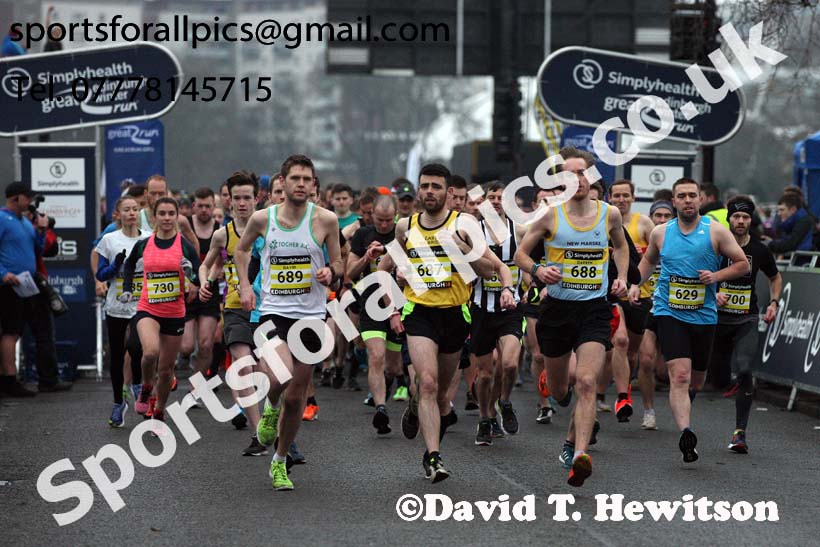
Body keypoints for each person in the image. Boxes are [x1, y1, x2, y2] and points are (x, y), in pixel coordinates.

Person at [378, 163, 513, 483]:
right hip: (419, 313)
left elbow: (489, 269)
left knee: (438, 395)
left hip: (454, 314)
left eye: (436, 187)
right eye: (424, 186)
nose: (428, 192)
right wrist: (393, 309)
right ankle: (434, 457)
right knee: (427, 381)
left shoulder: (463, 224)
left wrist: (461, 248)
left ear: (447, 192)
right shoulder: (405, 227)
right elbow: (383, 270)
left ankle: (415, 408)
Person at [514, 147, 629, 487]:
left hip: (593, 308)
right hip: (557, 310)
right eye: (569, 175)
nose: (576, 180)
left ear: (591, 178)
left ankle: (578, 453)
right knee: (563, 390)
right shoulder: (550, 216)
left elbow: (621, 246)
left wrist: (620, 276)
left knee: (589, 383)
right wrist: (538, 270)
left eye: (582, 174)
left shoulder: (609, 215)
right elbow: (521, 254)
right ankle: (553, 386)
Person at [235, 154, 342, 491]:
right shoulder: (263, 219)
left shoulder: (326, 220)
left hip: (310, 316)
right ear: (281, 183)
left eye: (306, 179)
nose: (300, 184)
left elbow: (338, 260)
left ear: (313, 185)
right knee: (278, 372)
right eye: (294, 178)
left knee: (296, 398)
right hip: (273, 312)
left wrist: (331, 272)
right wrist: (242, 285)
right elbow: (241, 251)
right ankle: (268, 408)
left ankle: (279, 460)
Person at [630, 178, 749, 464]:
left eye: (692, 196)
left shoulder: (716, 231)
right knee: (679, 376)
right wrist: (635, 283)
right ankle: (686, 432)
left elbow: (743, 263)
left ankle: (685, 408)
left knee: (696, 380)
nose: (687, 200)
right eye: (681, 196)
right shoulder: (661, 233)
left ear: (700, 200)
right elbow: (647, 263)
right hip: (670, 312)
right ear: (674, 201)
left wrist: (716, 277)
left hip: (704, 316)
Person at [198, 171, 267, 456]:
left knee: (268, 375)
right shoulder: (221, 234)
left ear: (256, 199)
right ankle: (258, 433)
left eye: (246, 198)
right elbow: (207, 265)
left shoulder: (269, 229)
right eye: (236, 198)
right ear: (228, 201)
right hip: (236, 309)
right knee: (243, 365)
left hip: (268, 310)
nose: (241, 203)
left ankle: (269, 421)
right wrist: (205, 281)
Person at [120, 197, 201, 430]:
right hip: (148, 308)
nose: (166, 218)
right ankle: (146, 387)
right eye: (162, 214)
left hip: (175, 312)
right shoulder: (145, 244)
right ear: (154, 217)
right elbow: (128, 265)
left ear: (177, 217)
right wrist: (127, 289)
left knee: (166, 370)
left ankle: (160, 411)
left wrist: (191, 275)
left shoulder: (184, 245)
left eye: (171, 214)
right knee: (150, 353)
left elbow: (197, 275)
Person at [710, 196, 781, 454]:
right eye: (736, 217)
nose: (740, 221)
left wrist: (774, 302)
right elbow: (699, 273)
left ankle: (740, 433)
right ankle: (685, 427)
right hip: (716, 319)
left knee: (745, 367)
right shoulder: (715, 245)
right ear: (728, 219)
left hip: (746, 318)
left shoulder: (760, 250)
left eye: (746, 217)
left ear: (751, 220)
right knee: (714, 379)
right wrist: (713, 293)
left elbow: (775, 276)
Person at [471, 182, 525, 445]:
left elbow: (532, 258)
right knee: (485, 374)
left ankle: (504, 401)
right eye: (490, 197)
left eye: (500, 197)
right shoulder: (473, 232)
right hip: (481, 309)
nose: (495, 201)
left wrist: (531, 281)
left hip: (510, 308)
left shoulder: (520, 231)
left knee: (510, 364)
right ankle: (484, 417)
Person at [347, 195, 404, 434]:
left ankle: (387, 386)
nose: (383, 225)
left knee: (393, 367)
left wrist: (390, 251)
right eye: (379, 220)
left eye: (388, 221)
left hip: (399, 304)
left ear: (396, 216)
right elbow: (350, 272)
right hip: (371, 303)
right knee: (376, 356)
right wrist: (365, 258)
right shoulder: (363, 235)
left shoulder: (404, 233)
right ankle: (381, 408)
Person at [93, 197, 150, 426]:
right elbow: (101, 275)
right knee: (116, 355)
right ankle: (119, 403)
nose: (131, 213)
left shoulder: (148, 238)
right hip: (116, 304)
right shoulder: (109, 239)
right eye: (126, 210)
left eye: (135, 209)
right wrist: (115, 266)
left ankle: (137, 383)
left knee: (137, 348)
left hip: (141, 304)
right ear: (118, 214)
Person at [1, 182, 60, 397]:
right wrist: (3, 274)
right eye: (28, 198)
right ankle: (8, 379)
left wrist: (42, 231)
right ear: (16, 198)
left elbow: (37, 249)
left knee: (19, 331)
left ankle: (14, 379)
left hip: (27, 284)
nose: (31, 202)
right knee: (11, 332)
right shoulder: (2, 218)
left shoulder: (25, 223)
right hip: (8, 285)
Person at [607, 179, 655, 422]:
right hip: (615, 294)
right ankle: (621, 396)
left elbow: (656, 257)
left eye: (626, 195)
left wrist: (637, 284)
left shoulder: (644, 223)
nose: (621, 200)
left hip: (640, 295)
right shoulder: (605, 222)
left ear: (633, 198)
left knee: (633, 353)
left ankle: (621, 382)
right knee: (620, 341)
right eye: (617, 196)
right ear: (610, 198)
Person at [179, 188, 222, 406]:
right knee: (186, 345)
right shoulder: (185, 225)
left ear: (214, 208)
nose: (204, 210)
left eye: (208, 206)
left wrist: (215, 275)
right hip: (186, 292)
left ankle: (196, 385)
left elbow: (223, 259)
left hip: (209, 291)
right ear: (193, 206)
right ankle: (184, 361)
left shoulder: (220, 229)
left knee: (206, 344)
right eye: (200, 206)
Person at [635, 200, 675, 430]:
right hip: (650, 305)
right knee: (647, 360)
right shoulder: (646, 243)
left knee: (664, 370)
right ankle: (649, 411)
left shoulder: (683, 242)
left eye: (666, 216)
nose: (661, 220)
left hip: (675, 309)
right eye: (657, 216)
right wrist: (633, 286)